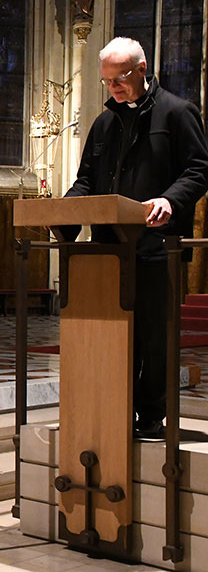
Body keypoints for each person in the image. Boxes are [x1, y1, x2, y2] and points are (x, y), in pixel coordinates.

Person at [65, 37, 208, 439]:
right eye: (107, 81)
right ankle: (113, 409)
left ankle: (150, 417)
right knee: (111, 335)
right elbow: (86, 181)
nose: (114, 88)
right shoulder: (104, 123)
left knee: (153, 338)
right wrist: (64, 213)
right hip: (108, 251)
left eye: (120, 78)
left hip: (157, 249)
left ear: (142, 68)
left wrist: (169, 199)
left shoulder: (178, 113)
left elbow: (199, 170)